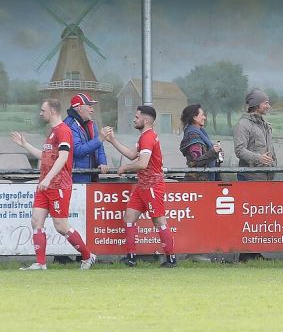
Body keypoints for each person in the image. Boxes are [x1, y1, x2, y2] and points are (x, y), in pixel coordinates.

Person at [10, 99, 96, 270]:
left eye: (43, 110)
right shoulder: (52, 132)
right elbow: (45, 155)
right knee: (36, 221)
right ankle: (40, 263)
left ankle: (88, 256)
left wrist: (48, 178)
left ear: (52, 112)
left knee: (61, 226)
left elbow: (63, 157)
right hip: (45, 185)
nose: (40, 113)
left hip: (59, 185)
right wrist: (24, 144)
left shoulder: (64, 130)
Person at [101, 106, 177, 268]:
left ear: (146, 120)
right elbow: (131, 154)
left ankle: (171, 259)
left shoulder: (147, 138)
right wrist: (112, 140)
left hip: (152, 186)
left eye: (137, 117)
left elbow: (142, 164)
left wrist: (125, 168)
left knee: (159, 221)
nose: (134, 119)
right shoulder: (144, 137)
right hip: (143, 186)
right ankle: (131, 257)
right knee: (129, 217)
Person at [64, 93, 108, 183]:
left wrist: (102, 162)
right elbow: (77, 151)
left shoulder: (91, 123)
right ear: (80, 108)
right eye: (90, 106)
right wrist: (99, 139)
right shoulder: (69, 125)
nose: (92, 110)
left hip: (91, 176)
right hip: (75, 179)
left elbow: (100, 146)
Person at [233, 88, 276, 181]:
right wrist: (258, 158)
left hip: (266, 177)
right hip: (249, 178)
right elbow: (239, 150)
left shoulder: (266, 125)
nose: (268, 106)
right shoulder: (243, 124)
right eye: (266, 103)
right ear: (257, 104)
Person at [179, 104, 222, 182]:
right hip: (198, 182)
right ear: (194, 118)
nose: (204, 117)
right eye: (202, 115)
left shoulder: (201, 133)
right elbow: (196, 161)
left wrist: (217, 154)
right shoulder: (193, 135)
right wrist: (213, 152)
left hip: (203, 179)